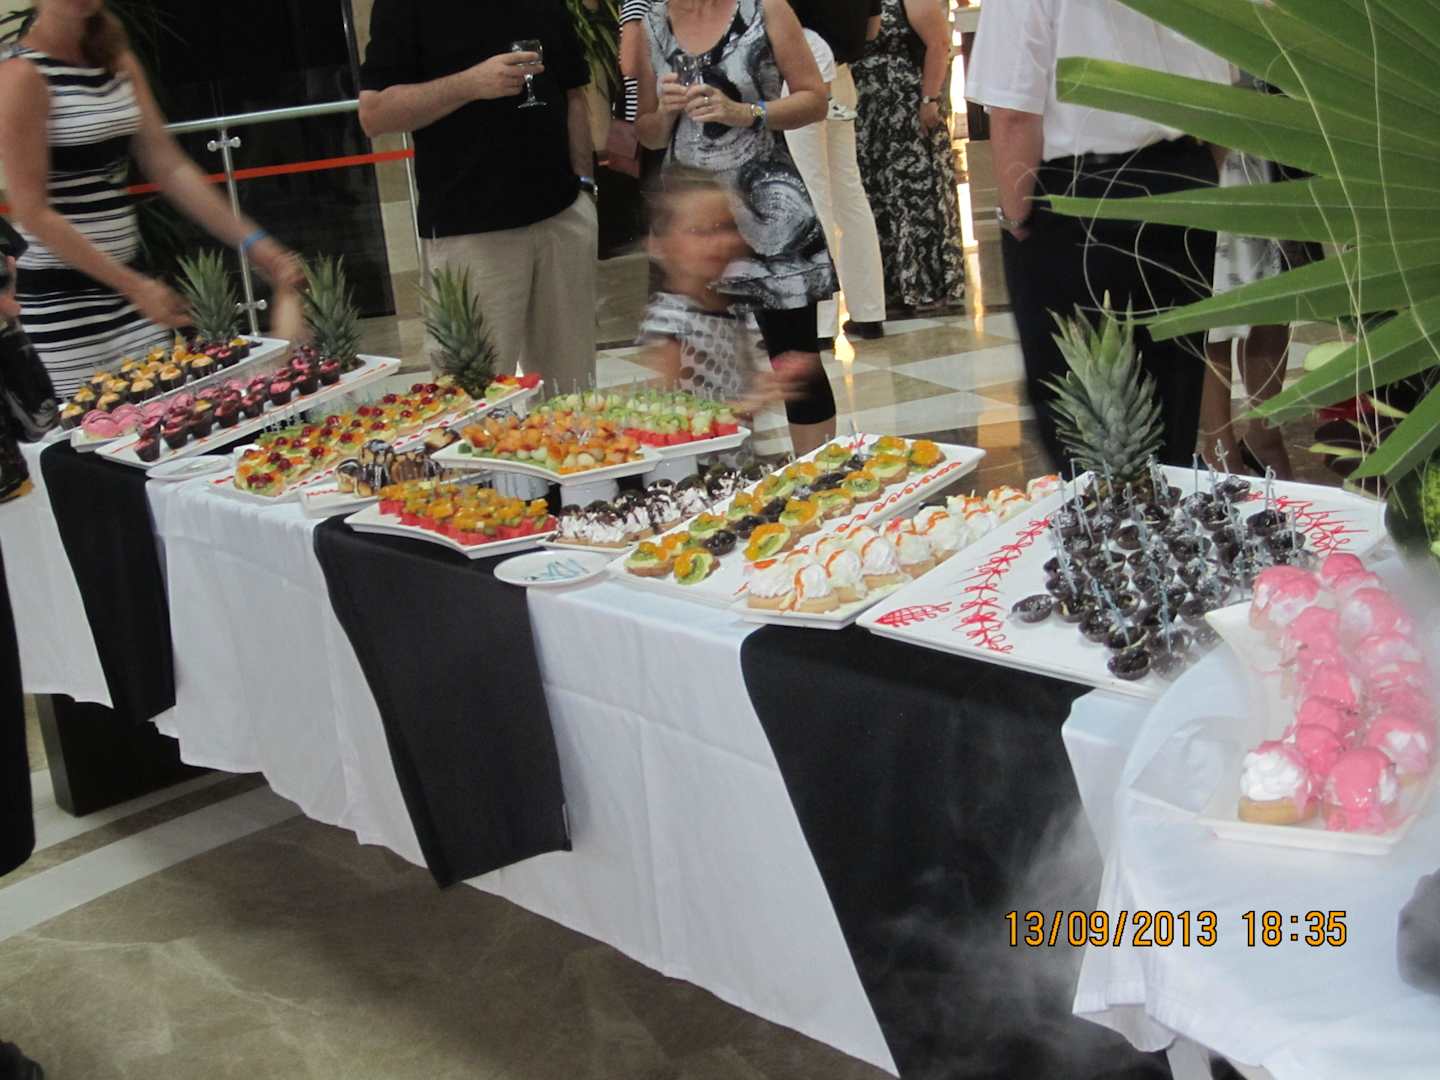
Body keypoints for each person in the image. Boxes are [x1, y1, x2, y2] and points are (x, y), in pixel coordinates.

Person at [967, 0, 1228, 468]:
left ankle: (1103, 513)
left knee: (1084, 404)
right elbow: (1220, 84)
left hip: (1080, 196)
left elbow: (1013, 113)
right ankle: (1167, 504)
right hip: (1181, 175)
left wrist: (1015, 219)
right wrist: (1202, 171)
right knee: (1173, 385)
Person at [0, 1, 303, 400]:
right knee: (91, 426)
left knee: (167, 415)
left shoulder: (114, 59)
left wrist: (255, 243)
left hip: (129, 292)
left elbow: (169, 166)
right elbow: (32, 211)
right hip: (62, 307)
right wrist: (135, 286)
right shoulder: (21, 75)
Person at [359, 0, 598, 390]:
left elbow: (572, 90)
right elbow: (375, 114)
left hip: (562, 217)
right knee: (474, 397)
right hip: (470, 232)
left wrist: (585, 188)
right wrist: (470, 84)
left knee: (573, 394)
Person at [635, 0, 839, 456]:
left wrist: (745, 112)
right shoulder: (652, 23)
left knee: (795, 361)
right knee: (697, 366)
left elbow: (814, 99)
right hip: (692, 220)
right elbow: (647, 132)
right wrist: (665, 113)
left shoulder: (766, 9)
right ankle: (711, 480)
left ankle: (821, 481)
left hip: (770, 210)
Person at [640, 169, 793, 419]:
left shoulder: (729, 304)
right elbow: (668, 414)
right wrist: (748, 404)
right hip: (702, 445)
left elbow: (733, 381)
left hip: (739, 443)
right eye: (699, 231)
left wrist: (766, 382)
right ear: (662, 245)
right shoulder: (670, 320)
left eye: (726, 226)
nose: (719, 242)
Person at [784, 0, 887, 344]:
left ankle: (820, 324)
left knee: (813, 194)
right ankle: (869, 311)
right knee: (849, 192)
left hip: (802, 73)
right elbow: (872, 28)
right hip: (841, 74)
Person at [852, 0, 965, 316]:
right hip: (864, 109)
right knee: (875, 196)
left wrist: (930, 98)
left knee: (914, 196)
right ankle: (889, 288)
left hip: (906, 104)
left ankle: (926, 285)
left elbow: (939, 43)